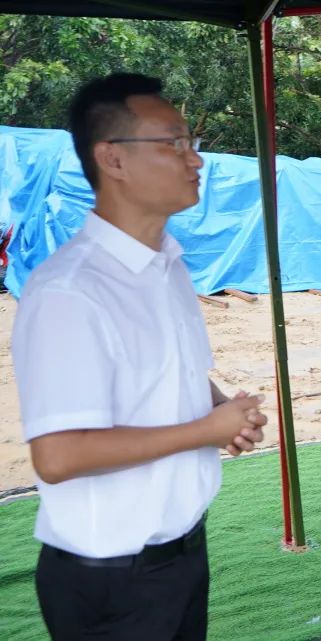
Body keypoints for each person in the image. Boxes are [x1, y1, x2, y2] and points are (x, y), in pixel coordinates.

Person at [11, 73, 267, 641]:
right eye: (173, 143)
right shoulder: (69, 291)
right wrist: (204, 429)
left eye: (191, 142)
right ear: (113, 159)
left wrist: (221, 411)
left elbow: (171, 375)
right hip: (109, 582)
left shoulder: (167, 265)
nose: (195, 159)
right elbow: (58, 455)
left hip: (182, 554)